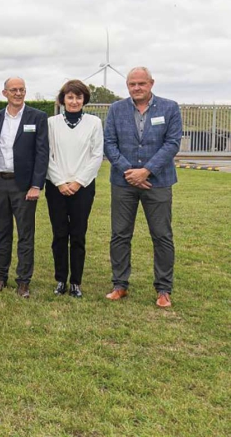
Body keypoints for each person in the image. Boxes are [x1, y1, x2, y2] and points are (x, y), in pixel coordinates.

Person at [103, 67, 182, 308]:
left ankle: (163, 289)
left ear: (151, 83)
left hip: (157, 182)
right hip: (123, 183)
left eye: (141, 83)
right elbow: (109, 143)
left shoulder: (170, 108)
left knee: (161, 236)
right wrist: (130, 172)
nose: (137, 88)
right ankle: (120, 285)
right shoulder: (116, 109)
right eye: (132, 84)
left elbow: (172, 143)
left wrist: (146, 171)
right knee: (120, 235)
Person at [0, 77, 49, 298]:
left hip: (23, 185)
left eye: (21, 90)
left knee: (25, 234)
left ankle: (23, 281)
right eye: (13, 90)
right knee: (2, 231)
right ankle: (0, 277)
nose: (18, 93)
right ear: (4, 93)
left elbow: (42, 153)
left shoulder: (38, 117)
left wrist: (36, 185)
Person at [46, 80, 103, 298]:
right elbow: (47, 154)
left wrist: (78, 181)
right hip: (56, 187)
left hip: (83, 187)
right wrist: (60, 182)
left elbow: (97, 155)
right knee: (59, 234)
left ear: (84, 100)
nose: (74, 101)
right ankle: (60, 279)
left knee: (78, 235)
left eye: (78, 97)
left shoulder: (94, 123)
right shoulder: (51, 123)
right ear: (63, 99)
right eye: (70, 97)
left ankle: (75, 282)